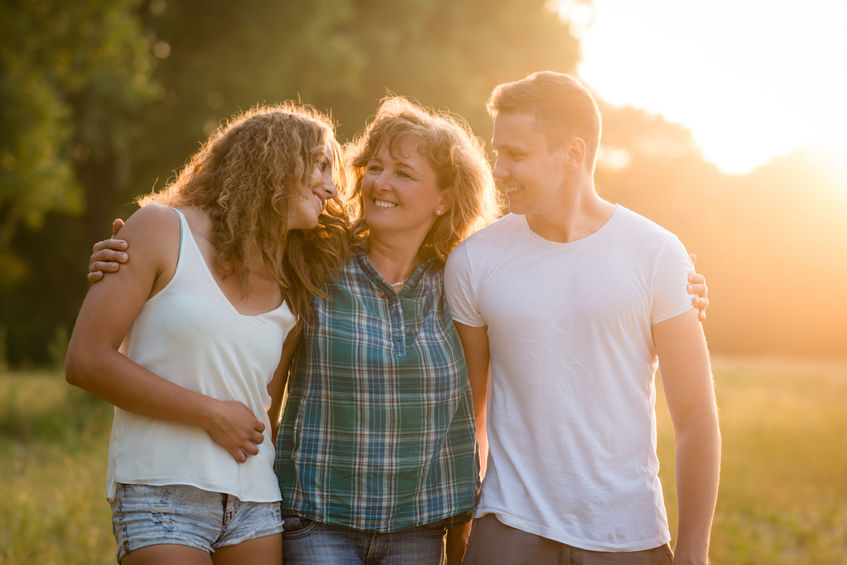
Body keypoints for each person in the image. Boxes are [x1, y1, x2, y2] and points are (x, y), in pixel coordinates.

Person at [87, 96, 711, 565]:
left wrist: (677, 287)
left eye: (403, 173)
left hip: (419, 527)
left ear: (444, 198)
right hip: (315, 518)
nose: (379, 183)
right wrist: (126, 254)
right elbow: (223, 259)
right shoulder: (312, 258)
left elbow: (480, 400)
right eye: (374, 167)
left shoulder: (466, 274)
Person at [444, 71, 720, 565]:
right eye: (498, 153)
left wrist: (695, 550)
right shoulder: (474, 261)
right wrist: (463, 531)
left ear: (572, 154)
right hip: (509, 526)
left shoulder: (657, 254)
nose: (500, 169)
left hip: (628, 533)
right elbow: (471, 415)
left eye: (517, 155)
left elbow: (696, 418)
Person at [66, 103, 348, 565]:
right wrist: (210, 414)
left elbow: (264, 412)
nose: (331, 187)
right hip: (161, 490)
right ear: (275, 161)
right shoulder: (160, 229)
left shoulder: (294, 285)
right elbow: (87, 361)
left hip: (255, 500)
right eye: (320, 165)